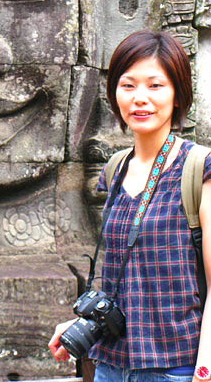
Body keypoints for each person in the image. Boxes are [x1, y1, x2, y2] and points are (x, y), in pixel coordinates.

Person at [49, 30, 211, 382]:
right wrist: (82, 323)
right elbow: (122, 274)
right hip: (110, 366)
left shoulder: (199, 169)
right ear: (115, 94)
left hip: (175, 368)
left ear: (178, 95)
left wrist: (205, 367)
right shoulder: (115, 168)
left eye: (155, 86)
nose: (140, 98)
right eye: (128, 85)